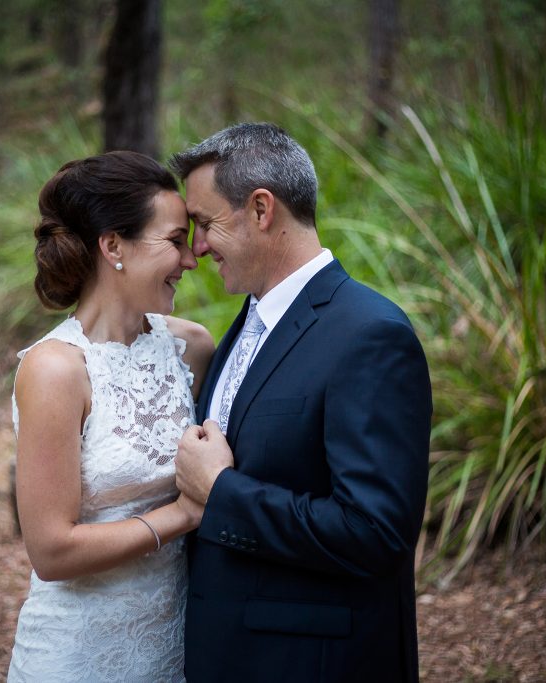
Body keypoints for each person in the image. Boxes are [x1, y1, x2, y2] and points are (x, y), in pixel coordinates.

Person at [169, 123, 432, 683]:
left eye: (205, 223)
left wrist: (222, 493)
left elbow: (376, 532)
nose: (197, 247)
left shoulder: (370, 334)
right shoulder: (246, 325)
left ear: (262, 209)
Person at [7, 151, 214, 682]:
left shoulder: (190, 349)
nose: (191, 259)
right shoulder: (56, 369)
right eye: (173, 241)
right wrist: (185, 515)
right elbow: (51, 551)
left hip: (178, 646)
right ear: (113, 245)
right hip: (81, 653)